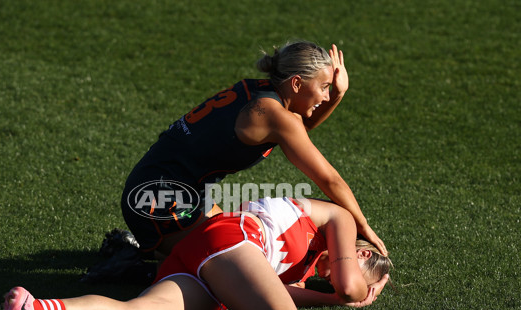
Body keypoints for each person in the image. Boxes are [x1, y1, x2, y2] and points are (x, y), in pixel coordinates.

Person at [0, 198, 392, 310]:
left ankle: (36, 308)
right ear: (360, 256)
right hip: (233, 240)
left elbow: (260, 289)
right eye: (365, 272)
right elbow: (349, 288)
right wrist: (356, 296)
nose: (329, 282)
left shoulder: (304, 270)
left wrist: (326, 298)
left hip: (212, 261)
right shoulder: (340, 219)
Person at [119, 41, 388, 260]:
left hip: (164, 186)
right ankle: (132, 265)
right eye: (325, 87)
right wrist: (364, 227)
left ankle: (151, 250)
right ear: (296, 84)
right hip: (158, 199)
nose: (326, 97)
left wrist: (338, 95)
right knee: (231, 265)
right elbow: (330, 180)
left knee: (241, 246)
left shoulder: (260, 92)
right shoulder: (276, 116)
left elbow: (299, 128)